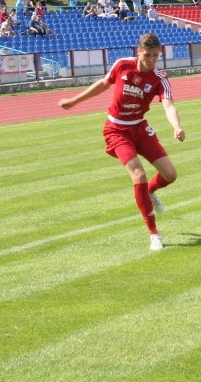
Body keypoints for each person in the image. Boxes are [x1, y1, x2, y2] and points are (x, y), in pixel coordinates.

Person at [58, 33, 186, 251]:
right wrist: (74, 100)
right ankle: (154, 234)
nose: (152, 60)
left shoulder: (159, 78)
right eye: (148, 55)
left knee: (170, 175)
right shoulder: (122, 65)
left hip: (140, 127)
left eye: (156, 56)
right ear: (139, 52)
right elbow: (103, 83)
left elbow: (168, 104)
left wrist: (176, 126)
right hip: (116, 129)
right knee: (139, 175)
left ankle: (148, 192)